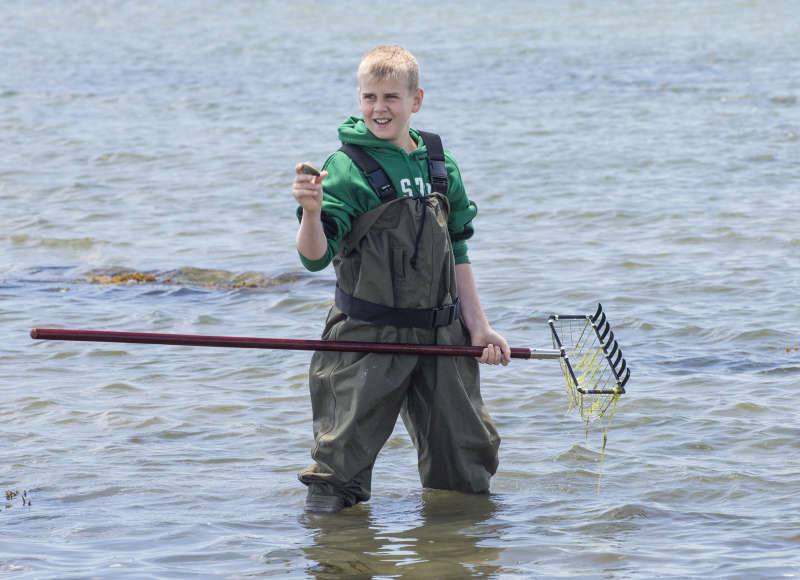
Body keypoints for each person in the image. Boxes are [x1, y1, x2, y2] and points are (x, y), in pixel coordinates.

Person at [291, 45, 510, 513]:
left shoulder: (439, 163)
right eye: (369, 96)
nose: (379, 108)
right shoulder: (344, 169)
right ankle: (334, 555)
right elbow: (314, 257)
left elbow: (459, 249)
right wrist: (311, 213)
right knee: (336, 472)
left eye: (391, 96)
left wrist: (479, 326)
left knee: (467, 467)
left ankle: (452, 552)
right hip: (367, 336)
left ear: (417, 99)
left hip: (442, 335)